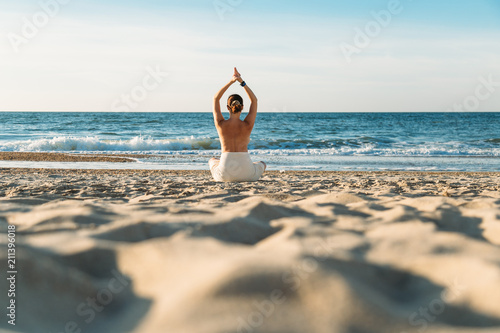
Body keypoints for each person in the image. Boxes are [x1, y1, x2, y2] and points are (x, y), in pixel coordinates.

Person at [209, 68, 266, 182]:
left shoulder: (221, 124)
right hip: (246, 173)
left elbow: (216, 98)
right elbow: (254, 100)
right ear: (242, 107)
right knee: (262, 163)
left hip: (225, 174)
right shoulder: (247, 124)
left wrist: (231, 81)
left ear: (227, 107)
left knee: (212, 160)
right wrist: (241, 81)